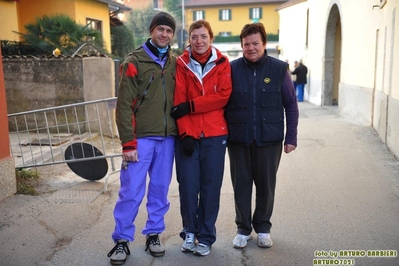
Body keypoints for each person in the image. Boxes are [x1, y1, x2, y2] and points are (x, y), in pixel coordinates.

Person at [107, 12, 177, 265]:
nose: (164, 34)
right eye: (160, 29)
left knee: (159, 191)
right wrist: (128, 143)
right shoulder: (133, 61)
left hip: (167, 138)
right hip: (140, 139)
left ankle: (153, 235)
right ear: (151, 31)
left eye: (169, 31)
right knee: (131, 191)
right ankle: (122, 240)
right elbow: (123, 105)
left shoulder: (174, 61)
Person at [225, 22, 298, 250]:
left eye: (255, 43)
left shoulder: (279, 69)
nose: (251, 48)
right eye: (246, 44)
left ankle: (264, 228)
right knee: (241, 186)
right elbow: (221, 103)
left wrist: (291, 138)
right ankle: (243, 229)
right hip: (238, 139)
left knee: (266, 186)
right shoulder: (231, 68)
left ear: (264, 44)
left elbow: (291, 105)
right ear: (242, 46)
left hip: (269, 139)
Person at [170, 19, 232, 256]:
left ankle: (206, 236)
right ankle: (189, 232)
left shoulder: (223, 63)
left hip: (215, 135)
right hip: (189, 136)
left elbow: (223, 96)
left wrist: (192, 105)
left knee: (210, 187)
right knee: (187, 186)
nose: (199, 41)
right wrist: (185, 132)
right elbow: (178, 102)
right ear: (189, 40)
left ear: (211, 38)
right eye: (194, 37)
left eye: (203, 36)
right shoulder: (181, 63)